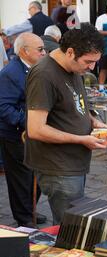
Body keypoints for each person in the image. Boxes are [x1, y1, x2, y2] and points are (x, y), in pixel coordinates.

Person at [24, 23, 107, 225]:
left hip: (73, 163)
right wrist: (81, 139)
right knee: (69, 229)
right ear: (70, 52)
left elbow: (76, 105)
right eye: (88, 61)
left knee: (74, 224)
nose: (92, 68)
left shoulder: (74, 68)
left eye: (96, 62)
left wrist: (94, 121)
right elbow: (35, 129)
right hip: (58, 166)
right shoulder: (44, 74)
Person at [0, 33, 47, 227]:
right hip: (16, 134)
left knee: (36, 175)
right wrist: (28, 122)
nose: (44, 52)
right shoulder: (10, 73)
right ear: (23, 51)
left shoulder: (35, 68)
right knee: (21, 179)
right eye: (40, 49)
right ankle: (24, 217)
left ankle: (30, 210)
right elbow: (4, 107)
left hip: (33, 132)